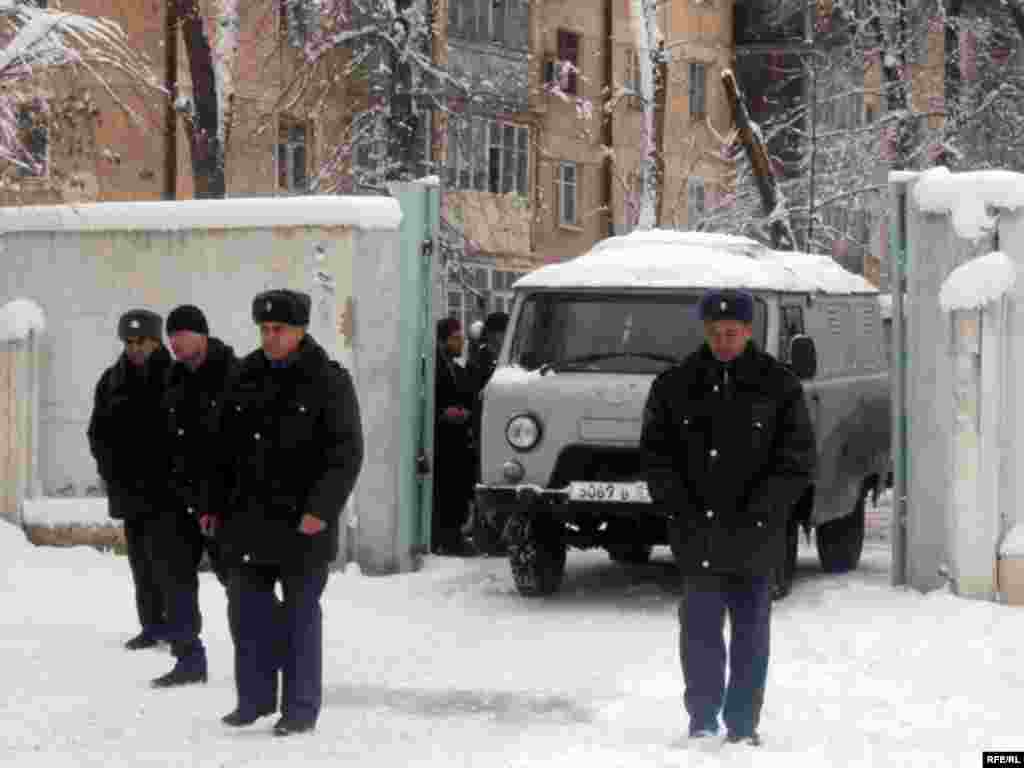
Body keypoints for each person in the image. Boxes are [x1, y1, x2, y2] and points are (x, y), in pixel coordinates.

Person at [639, 289, 815, 747]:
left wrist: (764, 513)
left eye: (732, 333)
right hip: (696, 533)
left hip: (755, 536)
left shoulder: (779, 386)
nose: (723, 341)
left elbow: (796, 461)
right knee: (699, 632)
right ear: (704, 331)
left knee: (751, 636)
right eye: (715, 333)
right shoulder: (675, 386)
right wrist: (679, 510)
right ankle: (701, 719)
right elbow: (657, 458)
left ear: (749, 331)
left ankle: (742, 724)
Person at [215, 289, 364, 736]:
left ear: (300, 330)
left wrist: (321, 510)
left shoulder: (328, 380)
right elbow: (220, 447)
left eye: (279, 330)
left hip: (304, 524)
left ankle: (299, 709)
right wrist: (214, 506)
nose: (270, 337)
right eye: (264, 330)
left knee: (300, 615)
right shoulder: (244, 375)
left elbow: (346, 452)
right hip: (249, 521)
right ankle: (254, 699)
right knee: (247, 611)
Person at [148, 305, 237, 688]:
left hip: (222, 499)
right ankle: (188, 659)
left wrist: (220, 499)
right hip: (175, 496)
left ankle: (260, 659)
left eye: (180, 333)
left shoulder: (234, 374)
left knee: (238, 580)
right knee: (174, 575)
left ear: (201, 334)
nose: (173, 341)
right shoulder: (171, 378)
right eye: (170, 335)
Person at [87, 309, 173, 651]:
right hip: (130, 491)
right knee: (141, 562)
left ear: (156, 341)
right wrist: (110, 470)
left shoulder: (174, 375)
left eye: (143, 341)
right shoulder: (112, 380)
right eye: (130, 342)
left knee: (170, 563)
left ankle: (178, 628)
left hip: (168, 491)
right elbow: (97, 432)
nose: (136, 348)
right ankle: (151, 625)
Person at [432, 317, 476, 556]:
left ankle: (453, 534)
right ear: (443, 340)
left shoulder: (452, 365)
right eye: (455, 339)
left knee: (457, 488)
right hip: (444, 439)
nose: (461, 343)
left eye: (461, 338)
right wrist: (443, 413)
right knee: (447, 489)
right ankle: (447, 537)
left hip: (456, 436)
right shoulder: (438, 366)